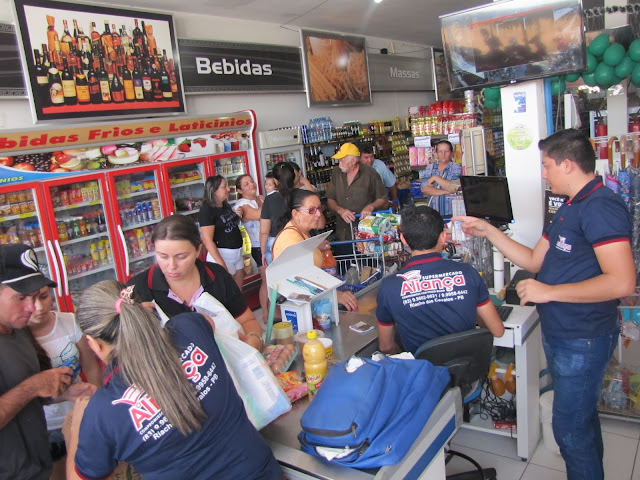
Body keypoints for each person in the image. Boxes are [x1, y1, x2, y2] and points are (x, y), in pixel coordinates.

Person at [454, 128, 636, 480]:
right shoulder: (570, 205)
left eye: (546, 165)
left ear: (567, 165)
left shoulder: (601, 208)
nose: (543, 173)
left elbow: (622, 281)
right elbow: (536, 261)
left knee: (569, 430)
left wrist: (549, 292)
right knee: (580, 422)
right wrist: (490, 231)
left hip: (583, 335)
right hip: (562, 332)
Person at [64, 280, 282, 480]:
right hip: (261, 472)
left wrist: (76, 429)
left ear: (95, 344)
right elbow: (207, 322)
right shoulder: (190, 328)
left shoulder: (103, 411)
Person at [0, 243, 95, 480]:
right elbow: (25, 389)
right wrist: (33, 385)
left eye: (38, 296)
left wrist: (62, 394)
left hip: (37, 462)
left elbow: (19, 396)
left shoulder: (19, 329)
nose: (33, 308)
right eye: (21, 297)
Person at [376, 206, 504, 354]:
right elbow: (497, 330)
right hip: (468, 370)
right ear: (443, 237)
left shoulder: (389, 286)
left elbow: (386, 347)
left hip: (423, 374)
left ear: (403, 239)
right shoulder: (467, 273)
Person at [127, 215, 264, 351]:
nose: (172, 266)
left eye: (181, 257)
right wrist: (137, 325)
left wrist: (254, 339)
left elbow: (247, 321)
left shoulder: (217, 276)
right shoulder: (138, 288)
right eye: (163, 256)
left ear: (198, 250)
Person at [28, 286, 102, 480]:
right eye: (30, 300)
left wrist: (97, 405)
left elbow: (91, 367)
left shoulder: (69, 322)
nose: (40, 307)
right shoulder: (16, 338)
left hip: (76, 414)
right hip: (42, 425)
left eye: (44, 297)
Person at [272, 189, 358, 311]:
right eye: (311, 210)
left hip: (313, 304)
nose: (318, 214)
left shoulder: (302, 233)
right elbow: (299, 281)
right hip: (300, 310)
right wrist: (335, 295)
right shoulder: (290, 238)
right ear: (295, 214)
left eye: (319, 208)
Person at [325, 143, 388, 253]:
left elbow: (383, 199)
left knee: (368, 268)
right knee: (348, 267)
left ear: (353, 161)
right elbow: (330, 199)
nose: (339, 164)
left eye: (342, 160)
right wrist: (340, 210)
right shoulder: (336, 174)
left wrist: (371, 206)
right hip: (343, 234)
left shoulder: (370, 174)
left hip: (366, 235)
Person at [199, 175, 245, 290]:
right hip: (222, 254)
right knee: (227, 290)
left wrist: (237, 216)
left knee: (237, 290)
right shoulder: (207, 210)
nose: (228, 189)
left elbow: (227, 224)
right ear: (214, 190)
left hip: (236, 252)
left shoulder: (225, 205)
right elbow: (207, 240)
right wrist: (220, 263)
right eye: (224, 187)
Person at [234, 174, 269, 322]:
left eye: (252, 181)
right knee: (266, 280)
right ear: (240, 190)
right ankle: (266, 314)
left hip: (271, 242)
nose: (251, 185)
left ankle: (276, 309)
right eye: (246, 184)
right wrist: (272, 203)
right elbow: (260, 214)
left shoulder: (260, 198)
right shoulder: (242, 204)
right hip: (258, 246)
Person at [260, 162, 296, 267]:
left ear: (275, 180)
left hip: (275, 242)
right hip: (297, 239)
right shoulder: (300, 195)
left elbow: (264, 232)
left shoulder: (269, 199)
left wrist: (263, 252)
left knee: (276, 281)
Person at [420, 140, 462, 218]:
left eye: (446, 151)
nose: (443, 154)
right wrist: (447, 191)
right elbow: (424, 189)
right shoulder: (430, 168)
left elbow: (453, 187)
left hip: (451, 214)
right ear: (436, 153)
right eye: (440, 151)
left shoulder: (456, 167)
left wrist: (435, 178)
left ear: (452, 153)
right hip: (433, 214)